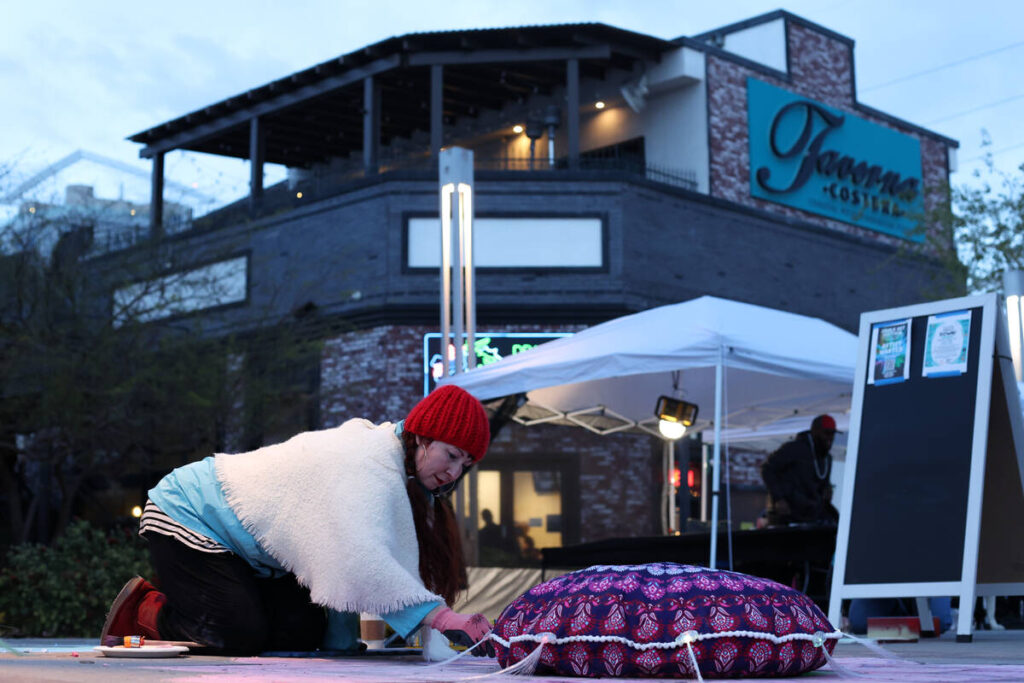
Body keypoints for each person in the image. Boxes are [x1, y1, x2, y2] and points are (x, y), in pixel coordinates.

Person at [100, 384, 495, 657]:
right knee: (237, 635)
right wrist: (441, 618)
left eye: (466, 463)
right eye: (452, 454)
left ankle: (223, 609)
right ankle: (146, 611)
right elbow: (359, 560)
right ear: (422, 436)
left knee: (303, 634)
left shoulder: (399, 472)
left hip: (256, 552)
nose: (455, 471)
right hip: (192, 514)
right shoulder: (368, 461)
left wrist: (342, 649)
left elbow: (340, 568)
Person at [761, 414, 840, 526]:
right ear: (815, 432)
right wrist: (779, 498)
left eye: (833, 434)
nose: (830, 438)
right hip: (788, 516)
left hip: (811, 517)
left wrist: (827, 491)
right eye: (826, 433)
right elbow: (767, 469)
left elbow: (821, 485)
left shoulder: (827, 458)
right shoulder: (794, 449)